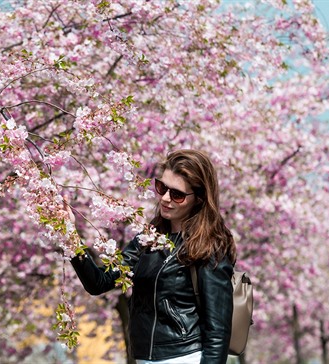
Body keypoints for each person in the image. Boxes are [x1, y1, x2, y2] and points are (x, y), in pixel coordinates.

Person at [68, 149, 237, 364]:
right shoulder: (148, 239)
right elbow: (99, 283)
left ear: (199, 198)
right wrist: (69, 235)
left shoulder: (210, 246)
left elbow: (218, 330)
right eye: (161, 187)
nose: (165, 199)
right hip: (144, 358)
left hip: (185, 357)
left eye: (177, 194)